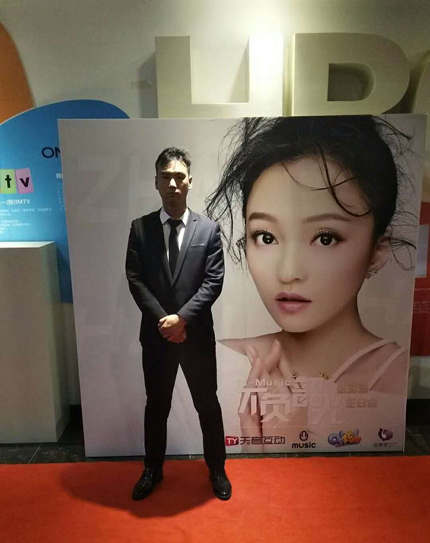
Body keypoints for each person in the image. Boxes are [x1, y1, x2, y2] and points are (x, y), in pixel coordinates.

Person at [205, 116, 417, 452]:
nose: (288, 271)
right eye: (266, 237)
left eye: (325, 238)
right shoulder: (220, 358)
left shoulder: (391, 375)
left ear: (377, 251)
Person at [126, 147, 231, 499]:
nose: (172, 184)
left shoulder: (209, 230)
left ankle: (217, 469)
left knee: (207, 404)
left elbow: (213, 282)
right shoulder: (140, 229)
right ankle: (152, 469)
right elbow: (135, 279)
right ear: (156, 182)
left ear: (190, 182)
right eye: (165, 177)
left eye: (179, 177)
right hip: (157, 336)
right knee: (156, 406)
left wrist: (182, 319)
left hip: (196, 337)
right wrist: (165, 321)